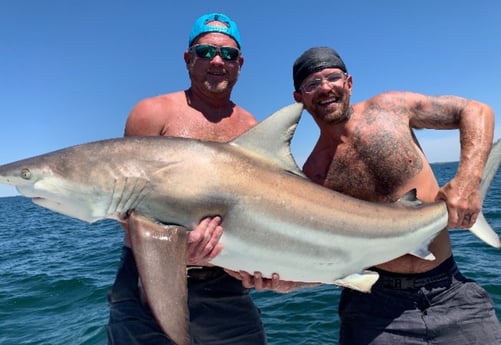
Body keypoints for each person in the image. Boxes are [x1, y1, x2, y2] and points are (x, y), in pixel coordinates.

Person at [289, 47, 501, 344]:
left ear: (348, 82)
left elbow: (476, 110)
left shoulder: (390, 108)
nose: (325, 87)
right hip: (372, 307)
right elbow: (320, 258)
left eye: (332, 77)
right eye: (312, 84)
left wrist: (468, 179)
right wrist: (282, 281)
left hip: (450, 289)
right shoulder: (312, 176)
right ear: (299, 98)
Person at [106, 13, 267, 345]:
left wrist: (261, 267)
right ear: (187, 58)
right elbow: (123, 203)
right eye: (206, 52)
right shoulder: (152, 113)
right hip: (146, 279)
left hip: (225, 284)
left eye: (228, 54)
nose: (218, 61)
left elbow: (259, 215)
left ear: (241, 63)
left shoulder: (253, 130)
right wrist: (175, 250)